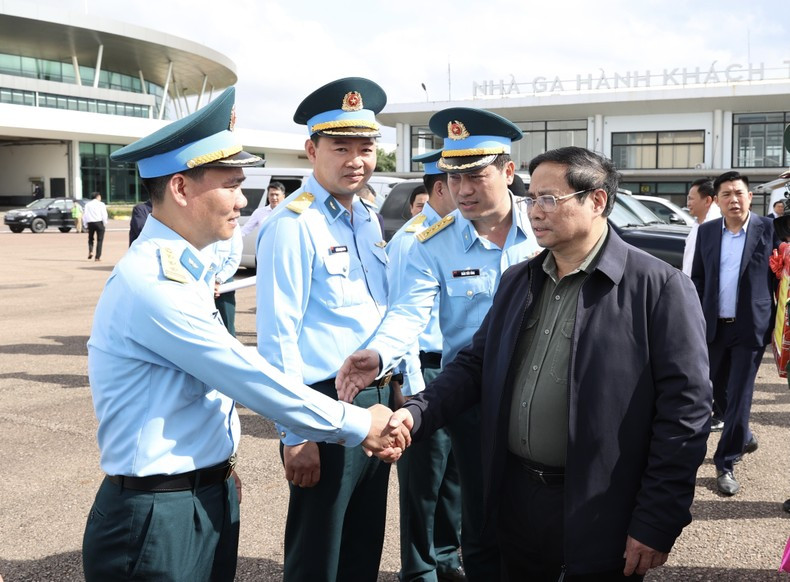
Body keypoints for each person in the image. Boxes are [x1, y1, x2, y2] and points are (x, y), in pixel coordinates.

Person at [81, 86, 407, 582]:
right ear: (181, 189)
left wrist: (217, 464)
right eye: (231, 185)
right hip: (157, 514)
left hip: (201, 492)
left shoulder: (187, 267)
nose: (244, 200)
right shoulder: (152, 284)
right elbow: (245, 373)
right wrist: (359, 425)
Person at [359, 146, 713, 581]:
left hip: (600, 506)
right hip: (516, 497)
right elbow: (474, 365)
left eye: (550, 199)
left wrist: (658, 518)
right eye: (532, 199)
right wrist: (416, 413)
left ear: (596, 200)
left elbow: (686, 415)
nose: (535, 211)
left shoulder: (659, 289)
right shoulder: (520, 280)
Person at [338, 107, 542, 581]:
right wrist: (380, 354)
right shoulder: (433, 241)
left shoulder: (543, 230)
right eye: (453, 177)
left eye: (476, 175)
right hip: (472, 399)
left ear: (509, 172)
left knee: (543, 514)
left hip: (540, 396)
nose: (463, 189)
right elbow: (409, 311)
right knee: (476, 516)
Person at [255, 77, 395, 582]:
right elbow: (277, 336)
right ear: (312, 150)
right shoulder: (293, 223)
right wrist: (295, 434)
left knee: (363, 546)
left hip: (373, 401)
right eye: (341, 148)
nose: (355, 160)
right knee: (318, 554)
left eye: (365, 147)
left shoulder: (367, 218)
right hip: (319, 403)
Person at [390, 149, 464, 582]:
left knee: (454, 475)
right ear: (440, 187)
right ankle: (418, 567)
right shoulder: (412, 240)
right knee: (424, 480)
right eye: (459, 184)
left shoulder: (460, 234)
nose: (468, 193)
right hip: (426, 371)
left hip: (458, 372)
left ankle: (445, 556)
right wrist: (408, 383)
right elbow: (400, 317)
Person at [691, 170, 780, 496]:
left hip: (750, 328)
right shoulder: (708, 232)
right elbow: (698, 277)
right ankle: (741, 434)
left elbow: (778, 277)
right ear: (718, 200)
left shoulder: (768, 229)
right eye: (726, 194)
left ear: (749, 197)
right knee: (710, 394)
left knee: (740, 396)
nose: (734, 200)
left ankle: (725, 461)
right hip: (713, 327)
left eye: (739, 193)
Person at [682, 177, 721, 277]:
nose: (688, 204)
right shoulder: (697, 224)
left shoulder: (716, 228)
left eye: (691, 199)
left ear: (707, 200)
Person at [210, 224, 243, 336]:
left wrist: (218, 280)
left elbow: (234, 258)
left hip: (224, 283)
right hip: (202, 281)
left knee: (227, 328)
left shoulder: (233, 225)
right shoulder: (201, 221)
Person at [82, 192, 108, 261]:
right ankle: (97, 257)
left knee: (90, 239)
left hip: (90, 223)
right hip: (99, 222)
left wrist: (85, 224)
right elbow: (104, 214)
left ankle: (90, 251)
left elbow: (85, 215)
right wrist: (105, 222)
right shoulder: (101, 204)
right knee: (100, 240)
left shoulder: (87, 204)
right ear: (98, 196)